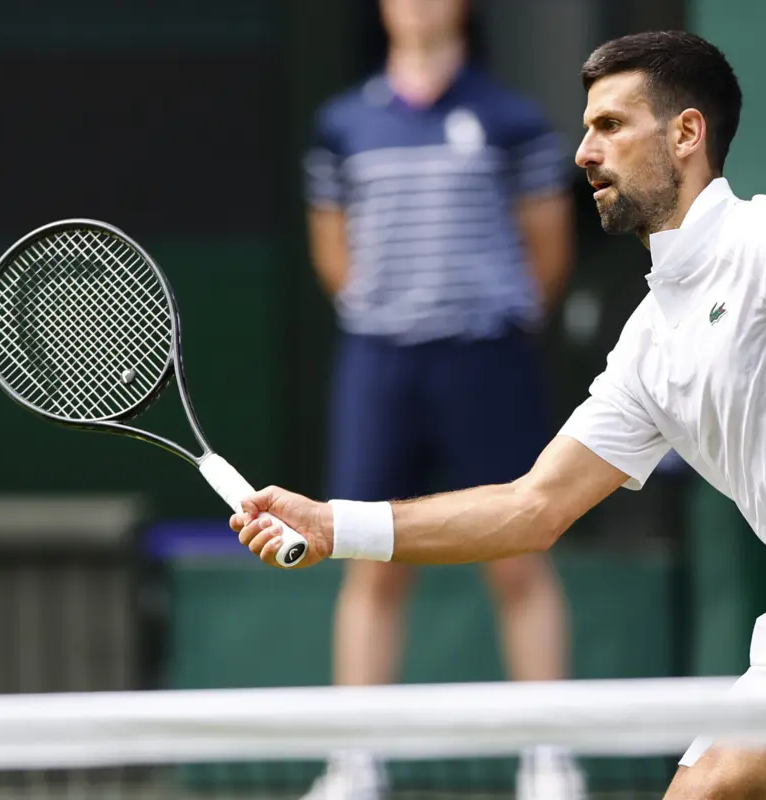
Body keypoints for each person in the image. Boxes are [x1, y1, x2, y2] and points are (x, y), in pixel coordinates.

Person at [250, 29, 766, 800]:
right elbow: (530, 508)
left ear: (686, 134)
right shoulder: (647, 345)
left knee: (703, 792)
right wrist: (333, 526)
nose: (584, 151)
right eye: (586, 128)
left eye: (611, 125)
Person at [298, 1, 581, 798]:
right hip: (379, 367)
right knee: (367, 559)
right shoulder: (341, 124)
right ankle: (354, 764)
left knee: (519, 554)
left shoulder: (513, 119)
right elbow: (332, 251)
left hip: (486, 362)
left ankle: (549, 759)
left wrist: (481, 317)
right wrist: (393, 314)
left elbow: (547, 251)